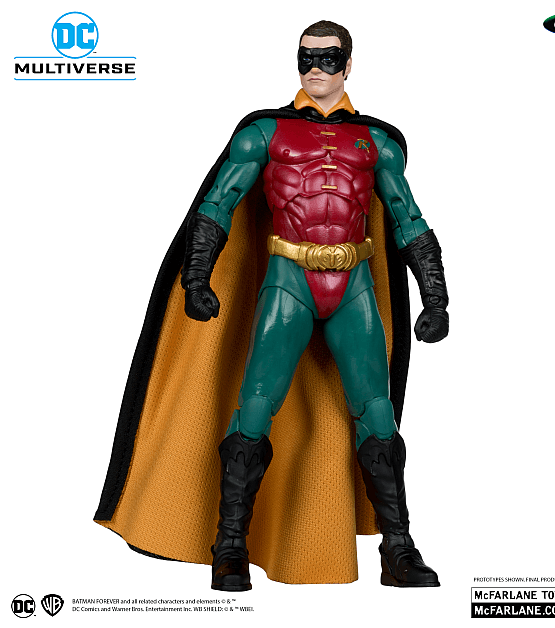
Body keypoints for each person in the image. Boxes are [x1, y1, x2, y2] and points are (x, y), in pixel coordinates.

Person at [95, 20, 449, 591]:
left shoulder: (376, 142)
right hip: (289, 280)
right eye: (307, 57)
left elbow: (408, 218)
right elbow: (219, 203)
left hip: (353, 283)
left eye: (329, 58)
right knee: (255, 409)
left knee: (377, 416)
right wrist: (197, 276)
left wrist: (435, 295)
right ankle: (229, 545)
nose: (316, 68)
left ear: (349, 65)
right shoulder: (265, 133)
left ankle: (399, 548)